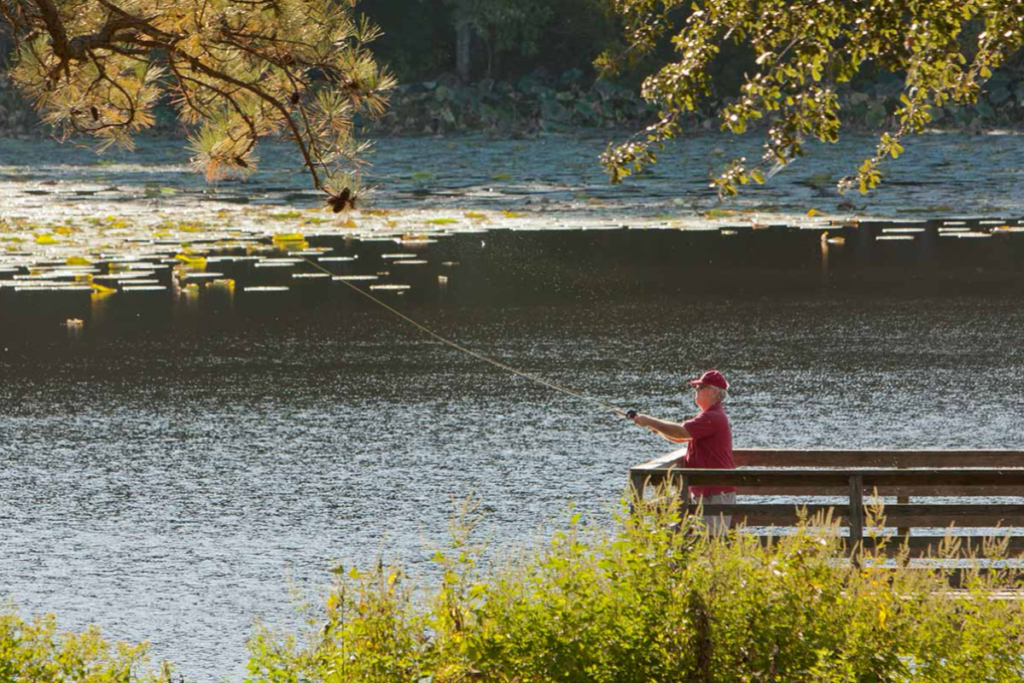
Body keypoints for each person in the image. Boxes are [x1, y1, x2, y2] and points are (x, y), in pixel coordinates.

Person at [629, 370, 735, 534]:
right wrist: (652, 426)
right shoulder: (709, 416)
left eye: (700, 387)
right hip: (708, 490)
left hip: (715, 492)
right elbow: (680, 437)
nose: (696, 390)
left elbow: (680, 432)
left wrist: (649, 421)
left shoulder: (713, 417)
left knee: (712, 542)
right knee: (702, 540)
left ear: (713, 392)